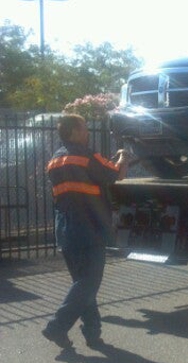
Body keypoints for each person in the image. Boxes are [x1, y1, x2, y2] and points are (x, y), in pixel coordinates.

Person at [42, 114, 130, 349]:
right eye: (83, 129)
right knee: (88, 283)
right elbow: (117, 174)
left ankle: (92, 333)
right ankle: (57, 327)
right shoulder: (87, 157)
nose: (87, 132)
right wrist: (123, 156)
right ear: (72, 132)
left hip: (66, 229)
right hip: (89, 229)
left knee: (83, 284)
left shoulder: (55, 160)